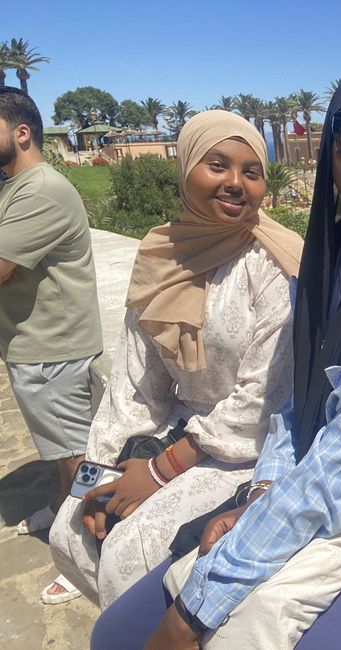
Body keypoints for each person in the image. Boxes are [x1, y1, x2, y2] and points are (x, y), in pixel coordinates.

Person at [90, 60, 341, 650]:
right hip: (309, 493)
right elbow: (293, 406)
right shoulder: (321, 263)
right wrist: (263, 492)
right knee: (116, 633)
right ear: (330, 146)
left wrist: (196, 610)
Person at [49, 110, 303, 608]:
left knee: (131, 549)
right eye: (218, 165)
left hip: (247, 450)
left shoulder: (275, 265)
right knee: (71, 527)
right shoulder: (163, 256)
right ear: (186, 169)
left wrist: (160, 470)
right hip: (180, 431)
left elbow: (262, 402)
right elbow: (133, 384)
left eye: (251, 173)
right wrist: (98, 477)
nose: (235, 183)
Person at [0, 86, 104, 604]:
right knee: (62, 450)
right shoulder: (16, 187)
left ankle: (82, 550)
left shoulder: (39, 190)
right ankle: (65, 511)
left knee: (77, 455)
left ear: (21, 132)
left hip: (53, 350)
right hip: (35, 345)